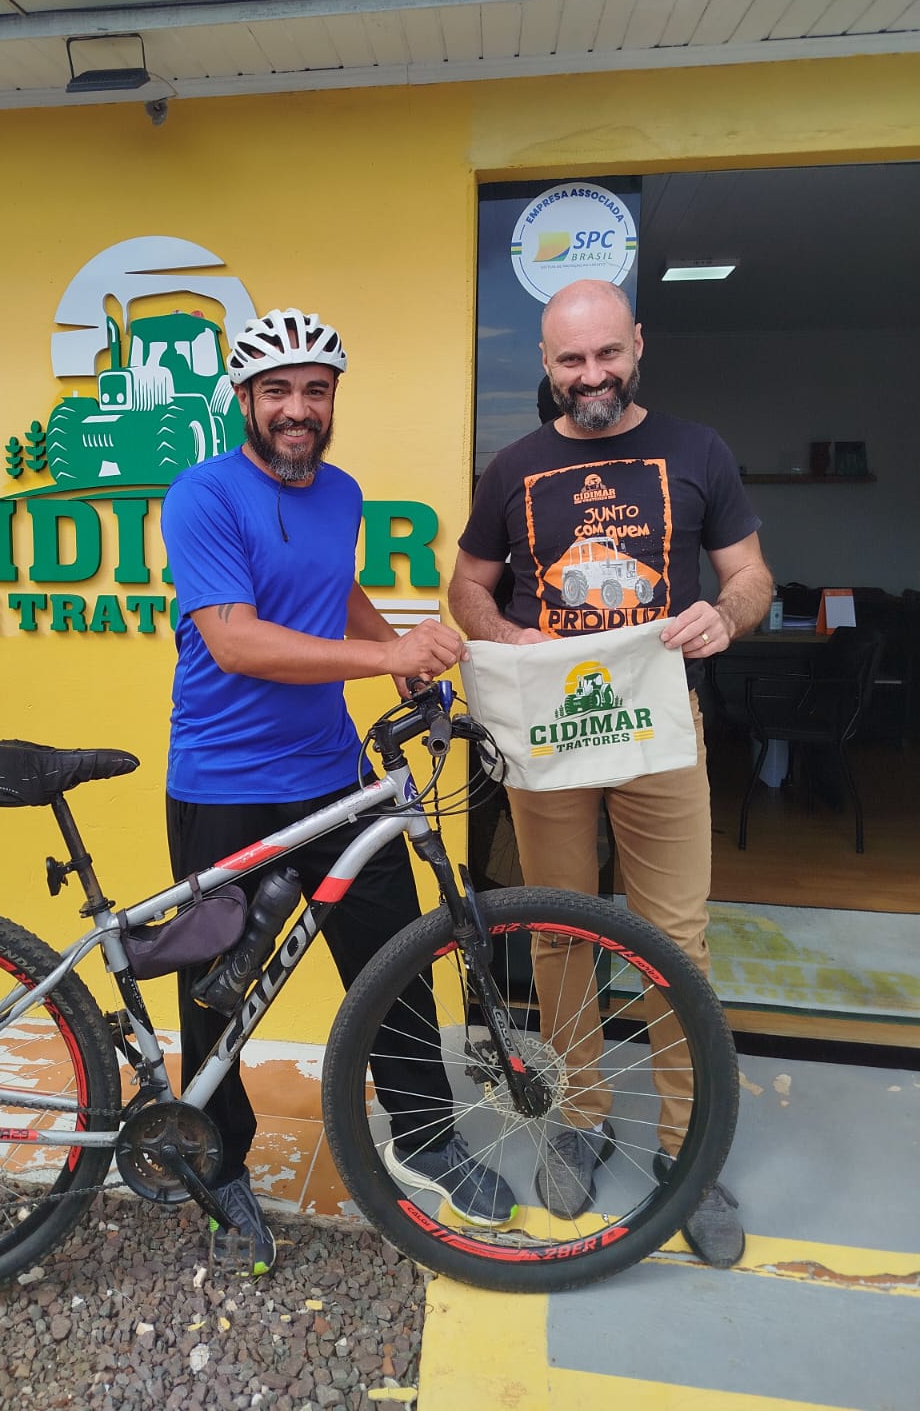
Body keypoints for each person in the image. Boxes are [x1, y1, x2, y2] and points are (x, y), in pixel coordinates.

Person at [160, 306, 517, 1275]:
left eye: (315, 391)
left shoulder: (344, 491)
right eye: (277, 390)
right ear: (244, 400)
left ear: (331, 401)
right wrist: (385, 655)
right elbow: (235, 640)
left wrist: (396, 650)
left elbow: (335, 589)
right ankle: (218, 1159)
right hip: (224, 782)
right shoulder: (201, 495)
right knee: (216, 984)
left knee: (396, 958)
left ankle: (426, 1134)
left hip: (333, 773)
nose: (298, 408)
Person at [448, 278, 772, 1269]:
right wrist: (508, 638)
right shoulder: (513, 468)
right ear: (547, 364)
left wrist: (726, 615)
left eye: (606, 354)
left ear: (637, 344)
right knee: (559, 932)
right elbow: (467, 584)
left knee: (677, 941)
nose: (591, 376)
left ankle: (688, 1149)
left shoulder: (698, 451)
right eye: (571, 360)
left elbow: (752, 574)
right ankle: (579, 1119)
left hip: (661, 730)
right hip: (552, 736)